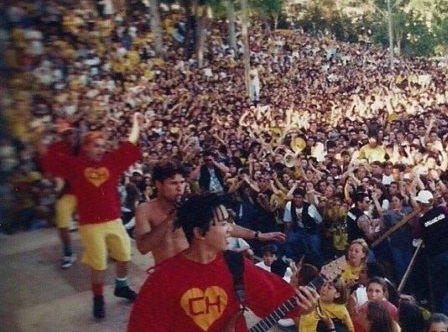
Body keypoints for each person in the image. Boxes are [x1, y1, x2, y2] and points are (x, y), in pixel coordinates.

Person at [127, 193, 319, 331]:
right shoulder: (163, 278)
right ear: (199, 233)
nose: (229, 230)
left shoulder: (235, 264)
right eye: (223, 224)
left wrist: (304, 306)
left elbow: (276, 298)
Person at [45, 113, 145, 319]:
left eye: (103, 145)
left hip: (114, 220)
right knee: (98, 263)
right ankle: (98, 299)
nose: (101, 149)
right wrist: (44, 136)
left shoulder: (111, 162)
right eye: (97, 145)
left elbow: (130, 143)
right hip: (90, 225)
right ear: (86, 147)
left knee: (125, 255)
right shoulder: (74, 166)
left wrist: (136, 123)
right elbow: (50, 161)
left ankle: (122, 286)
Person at [135, 160, 286, 265]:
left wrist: (258, 235)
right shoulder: (146, 210)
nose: (180, 187)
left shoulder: (191, 204)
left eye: (182, 182)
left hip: (193, 269)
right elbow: (143, 248)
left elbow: (220, 225)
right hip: (165, 273)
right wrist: (171, 219)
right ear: (158, 185)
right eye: (173, 183)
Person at [38, 120, 80, 269]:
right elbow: (44, 155)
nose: (70, 136)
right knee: (62, 224)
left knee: (101, 219)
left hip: (84, 191)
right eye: (66, 134)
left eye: (71, 132)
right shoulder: (56, 149)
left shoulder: (81, 147)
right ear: (61, 136)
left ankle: (111, 248)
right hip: (66, 193)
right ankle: (68, 253)